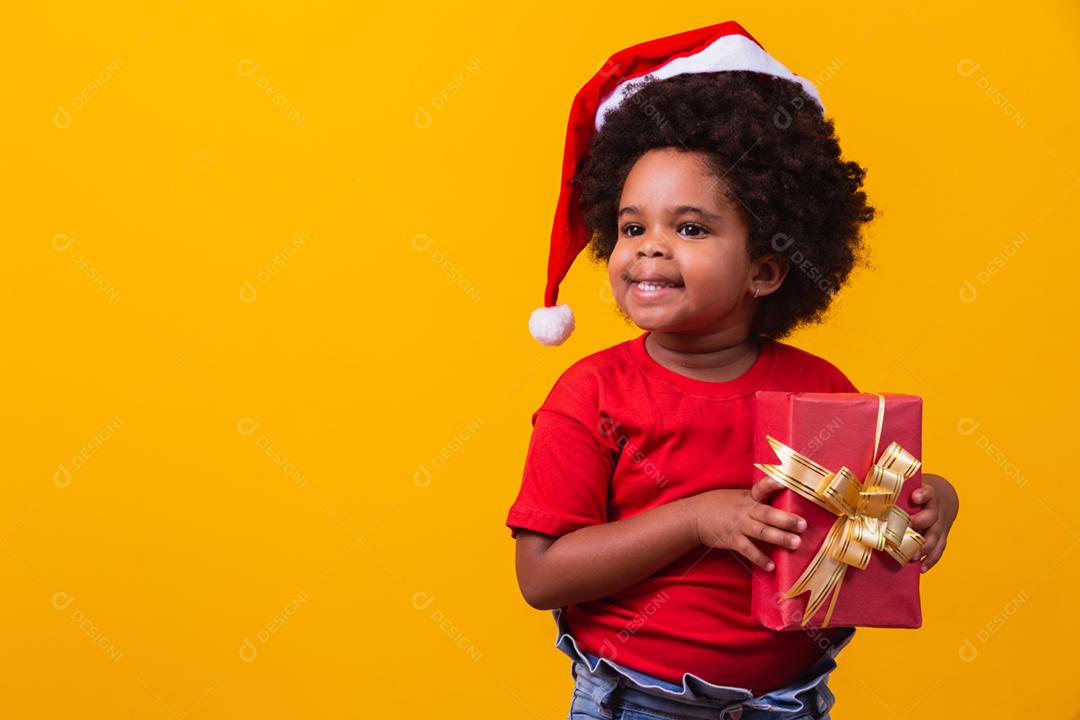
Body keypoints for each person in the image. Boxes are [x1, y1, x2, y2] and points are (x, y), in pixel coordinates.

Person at [506, 21, 960, 720]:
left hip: (790, 700)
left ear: (766, 268)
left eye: (689, 229)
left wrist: (930, 502)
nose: (650, 249)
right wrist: (696, 519)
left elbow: (859, 519)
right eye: (632, 228)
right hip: (638, 700)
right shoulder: (591, 393)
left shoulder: (820, 389)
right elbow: (542, 576)